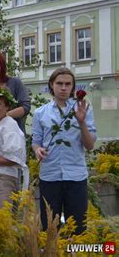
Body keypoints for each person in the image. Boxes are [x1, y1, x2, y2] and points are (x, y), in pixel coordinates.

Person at [32, 68, 96, 234]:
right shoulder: (40, 113)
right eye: (59, 83)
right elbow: (36, 142)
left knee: (78, 229)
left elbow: (90, 145)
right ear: (51, 85)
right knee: (50, 229)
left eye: (68, 84)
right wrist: (37, 150)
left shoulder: (84, 109)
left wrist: (81, 122)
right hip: (50, 176)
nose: (63, 88)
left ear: (73, 87)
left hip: (76, 175)